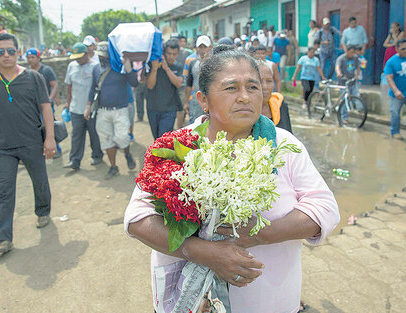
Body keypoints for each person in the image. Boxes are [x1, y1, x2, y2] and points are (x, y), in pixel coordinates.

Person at [124, 47, 340, 313]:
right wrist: (200, 251)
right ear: (203, 100)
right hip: (190, 300)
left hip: (269, 300)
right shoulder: (177, 145)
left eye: (252, 87)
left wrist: (261, 233)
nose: (245, 97)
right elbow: (137, 219)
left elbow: (325, 209)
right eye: (231, 88)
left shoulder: (284, 146)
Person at [0, 33, 55, 254]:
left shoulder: (33, 78)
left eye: (11, 51)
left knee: (39, 182)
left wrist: (49, 138)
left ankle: (43, 211)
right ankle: (3, 238)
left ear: (18, 52)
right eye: (0, 52)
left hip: (31, 142)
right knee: (5, 190)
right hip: (2, 147)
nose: (6, 55)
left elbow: (46, 107)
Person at [84, 41, 138, 179]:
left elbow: (134, 83)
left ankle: (127, 154)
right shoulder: (96, 69)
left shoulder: (120, 67)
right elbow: (93, 88)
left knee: (122, 137)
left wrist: (129, 69)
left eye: (104, 55)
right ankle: (113, 167)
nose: (102, 58)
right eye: (100, 55)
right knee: (106, 139)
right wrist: (88, 106)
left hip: (120, 109)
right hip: (102, 110)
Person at [63, 43, 103, 171]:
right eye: (76, 57)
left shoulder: (95, 66)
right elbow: (69, 87)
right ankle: (74, 161)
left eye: (80, 57)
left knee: (94, 134)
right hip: (76, 108)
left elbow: (98, 88)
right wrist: (68, 104)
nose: (78, 60)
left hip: (91, 109)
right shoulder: (72, 66)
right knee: (76, 136)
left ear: (86, 54)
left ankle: (97, 155)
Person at [26, 47, 62, 159]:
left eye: (33, 57)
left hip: (45, 105)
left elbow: (54, 85)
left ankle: (57, 149)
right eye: (28, 57)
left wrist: (50, 98)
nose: (30, 60)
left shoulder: (46, 70)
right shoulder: (26, 73)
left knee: (49, 127)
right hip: (32, 106)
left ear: (38, 58)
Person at [146, 39, 184, 139]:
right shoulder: (153, 65)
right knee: (156, 139)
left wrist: (167, 68)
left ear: (178, 54)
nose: (171, 56)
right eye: (169, 53)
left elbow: (178, 83)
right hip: (152, 108)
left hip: (169, 109)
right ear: (164, 53)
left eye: (174, 54)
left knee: (163, 140)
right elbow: (150, 86)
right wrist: (154, 69)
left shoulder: (178, 66)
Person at [258, 60, 292, 132]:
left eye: (269, 81)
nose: (265, 86)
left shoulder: (279, 104)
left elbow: (289, 136)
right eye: (260, 81)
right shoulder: (243, 109)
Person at [184, 35, 212, 124]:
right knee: (196, 125)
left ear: (210, 47)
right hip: (196, 101)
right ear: (196, 48)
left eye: (205, 47)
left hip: (212, 100)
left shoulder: (215, 64)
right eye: (200, 47)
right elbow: (189, 84)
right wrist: (186, 102)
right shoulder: (193, 63)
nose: (202, 49)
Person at [335, 45, 362, 124]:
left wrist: (357, 75)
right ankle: (344, 117)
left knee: (355, 96)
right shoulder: (341, 58)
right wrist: (339, 73)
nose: (352, 54)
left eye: (354, 52)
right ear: (346, 51)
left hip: (352, 81)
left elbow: (358, 67)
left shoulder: (355, 58)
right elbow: (337, 67)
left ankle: (359, 110)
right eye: (351, 52)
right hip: (343, 82)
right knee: (345, 99)